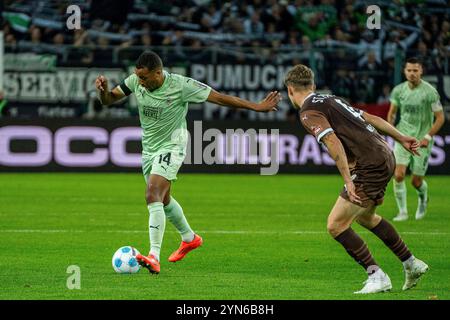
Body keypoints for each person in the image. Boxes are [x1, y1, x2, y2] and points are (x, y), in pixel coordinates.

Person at [95, 50, 281, 274]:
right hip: (149, 150)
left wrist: (256, 106)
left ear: (158, 72)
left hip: (173, 145)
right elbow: (108, 100)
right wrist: (103, 92)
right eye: (138, 78)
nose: (140, 83)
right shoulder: (135, 81)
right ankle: (190, 238)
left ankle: (154, 256)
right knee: (163, 200)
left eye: (145, 78)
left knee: (151, 193)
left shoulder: (181, 85)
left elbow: (220, 98)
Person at [284, 64, 429, 294]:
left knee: (336, 225)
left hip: (368, 164)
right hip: (385, 154)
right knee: (366, 217)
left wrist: (348, 180)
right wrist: (400, 137)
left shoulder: (308, 112)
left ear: (290, 90)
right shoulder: (331, 100)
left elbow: (332, 141)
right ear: (312, 85)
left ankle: (377, 276)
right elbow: (370, 117)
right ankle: (411, 263)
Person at [387, 57, 445, 221]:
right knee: (398, 175)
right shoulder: (398, 90)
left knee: (416, 181)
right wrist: (391, 129)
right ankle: (403, 212)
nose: (412, 73)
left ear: (421, 71)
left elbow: (440, 118)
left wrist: (427, 136)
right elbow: (392, 113)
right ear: (404, 71)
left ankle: (423, 198)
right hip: (403, 137)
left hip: (421, 140)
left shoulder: (430, 92)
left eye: (415, 70)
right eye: (409, 70)